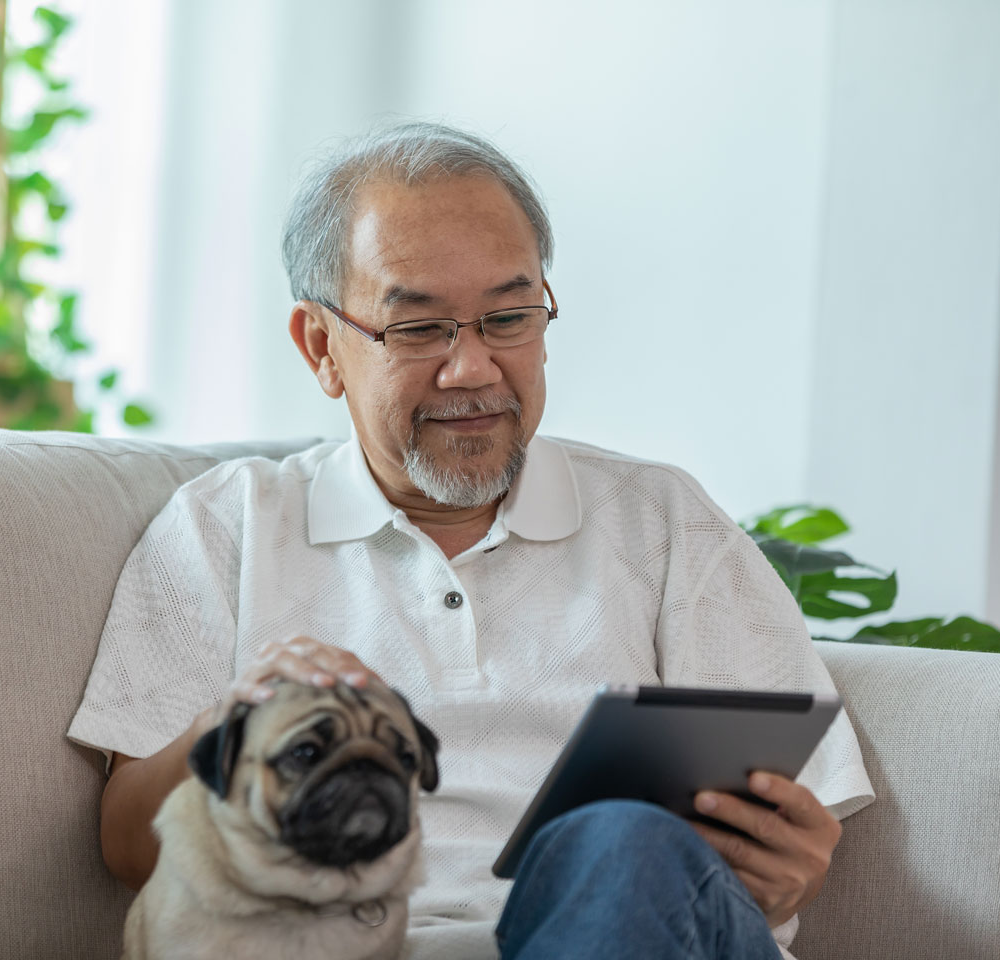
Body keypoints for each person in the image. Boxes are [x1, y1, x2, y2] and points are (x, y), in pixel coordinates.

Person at [67, 121, 874, 959]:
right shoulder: (225, 524)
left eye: (508, 317)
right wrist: (232, 721)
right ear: (322, 347)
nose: (473, 369)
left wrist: (792, 869)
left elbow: (790, 838)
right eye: (419, 330)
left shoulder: (662, 521)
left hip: (639, 927)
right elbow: (130, 847)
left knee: (622, 846)